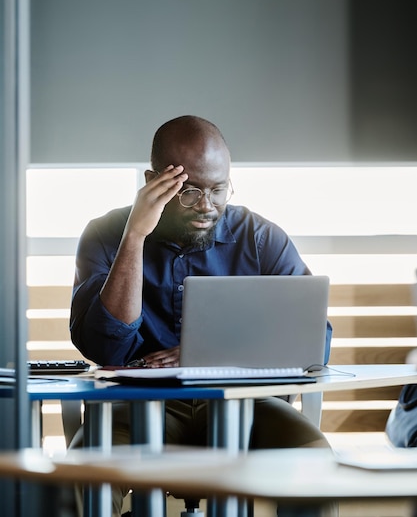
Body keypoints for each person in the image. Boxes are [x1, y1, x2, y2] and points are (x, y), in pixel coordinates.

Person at [70, 115, 334, 516]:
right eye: (189, 191)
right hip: (137, 406)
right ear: (153, 181)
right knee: (81, 480)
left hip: (248, 405)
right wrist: (136, 236)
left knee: (315, 465)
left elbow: (314, 341)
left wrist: (203, 354)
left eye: (218, 189)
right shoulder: (108, 235)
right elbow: (105, 345)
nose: (207, 206)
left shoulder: (260, 239)